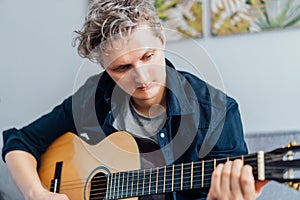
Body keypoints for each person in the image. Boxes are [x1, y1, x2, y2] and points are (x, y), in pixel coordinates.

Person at [2, 0, 267, 199]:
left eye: (148, 56)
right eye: (122, 68)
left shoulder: (218, 112)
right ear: (105, 68)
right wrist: (36, 192)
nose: (142, 78)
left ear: (161, 39)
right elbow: (19, 141)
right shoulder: (95, 96)